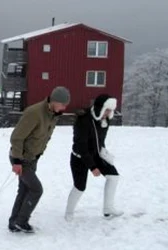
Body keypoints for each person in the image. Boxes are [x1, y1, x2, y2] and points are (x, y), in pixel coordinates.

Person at [8, 86, 70, 233]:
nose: (64, 108)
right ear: (54, 101)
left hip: (32, 159)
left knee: (24, 190)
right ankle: (21, 222)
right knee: (36, 189)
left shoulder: (52, 115)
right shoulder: (34, 113)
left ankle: (14, 223)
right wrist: (17, 161)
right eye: (62, 104)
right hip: (21, 158)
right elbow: (16, 137)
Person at [65, 94, 123, 221]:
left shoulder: (105, 120)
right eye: (107, 110)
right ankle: (69, 212)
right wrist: (92, 167)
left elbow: (100, 140)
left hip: (96, 155)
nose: (108, 114)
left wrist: (104, 154)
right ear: (99, 108)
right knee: (80, 187)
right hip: (79, 157)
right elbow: (81, 147)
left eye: (110, 111)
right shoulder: (83, 120)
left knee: (113, 176)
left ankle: (108, 208)